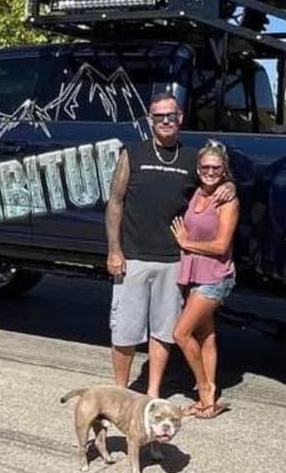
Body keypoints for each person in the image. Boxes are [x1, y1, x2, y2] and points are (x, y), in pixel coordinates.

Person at [104, 92, 235, 399]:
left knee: (163, 333)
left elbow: (214, 177)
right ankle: (120, 393)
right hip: (132, 258)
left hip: (174, 261)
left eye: (170, 116)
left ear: (180, 119)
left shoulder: (192, 159)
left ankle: (152, 392)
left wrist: (229, 184)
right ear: (150, 121)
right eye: (158, 116)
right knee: (124, 331)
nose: (165, 121)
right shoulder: (132, 154)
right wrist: (114, 250)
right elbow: (114, 201)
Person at [170, 140, 238, 420]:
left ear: (224, 171)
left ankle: (205, 391)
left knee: (180, 334)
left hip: (214, 276)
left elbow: (222, 246)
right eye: (205, 167)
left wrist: (186, 243)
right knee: (205, 335)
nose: (210, 172)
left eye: (216, 168)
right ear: (198, 169)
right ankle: (209, 395)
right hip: (194, 274)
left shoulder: (228, 200)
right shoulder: (196, 193)